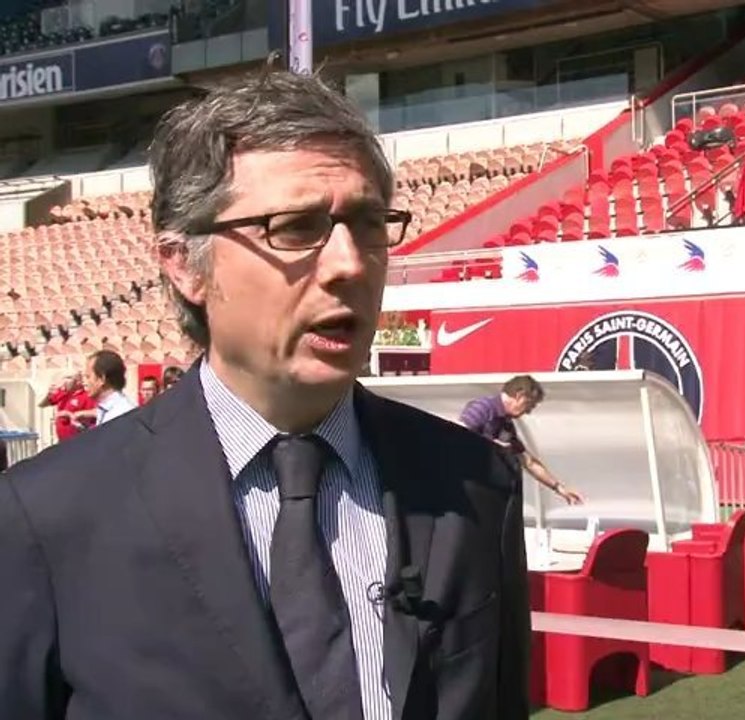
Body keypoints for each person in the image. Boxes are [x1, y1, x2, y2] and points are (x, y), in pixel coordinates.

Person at [0, 70, 528, 720]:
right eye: (297, 227)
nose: (350, 264)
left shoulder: (477, 482)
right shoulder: (47, 516)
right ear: (184, 263)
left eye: (366, 223)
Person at [459, 375, 585, 505]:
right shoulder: (482, 407)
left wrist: (559, 488)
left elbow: (528, 462)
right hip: (463, 491)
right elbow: (458, 437)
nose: (529, 412)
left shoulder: (506, 425)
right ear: (520, 396)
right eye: (529, 405)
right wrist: (492, 446)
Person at [81, 349, 136, 426]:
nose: (84, 383)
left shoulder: (122, 413)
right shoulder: (105, 409)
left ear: (101, 379)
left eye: (88, 377)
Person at [38, 372, 96, 441]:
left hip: (78, 441)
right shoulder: (62, 393)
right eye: (64, 378)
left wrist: (70, 415)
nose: (65, 381)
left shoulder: (87, 396)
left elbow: (95, 414)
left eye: (69, 378)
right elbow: (41, 405)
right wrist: (48, 395)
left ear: (78, 382)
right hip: (62, 441)